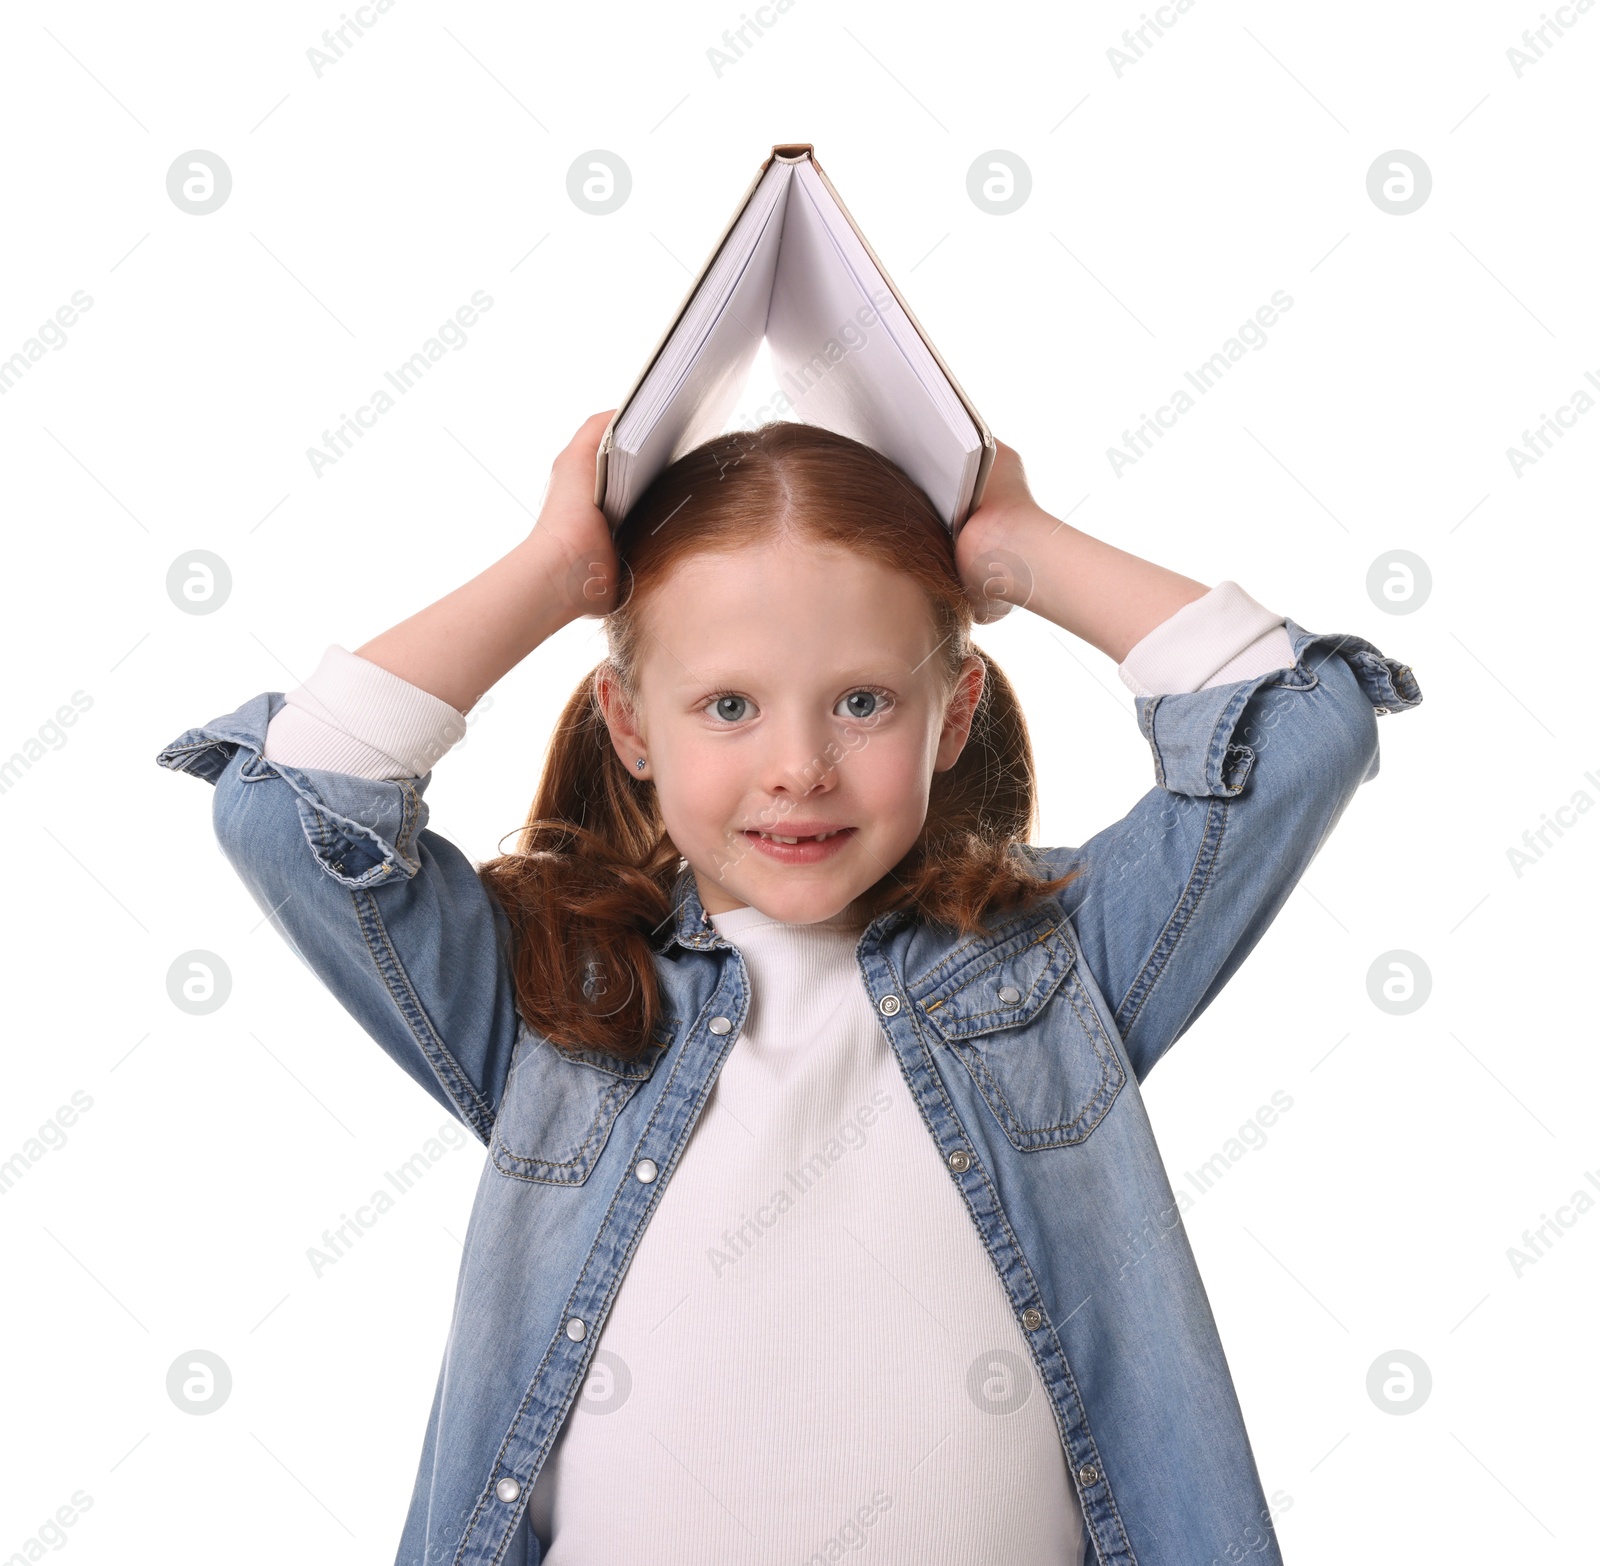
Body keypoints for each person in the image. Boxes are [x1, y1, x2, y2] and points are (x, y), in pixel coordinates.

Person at [156, 411, 1422, 1565]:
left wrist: (1022, 551)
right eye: (728, 706)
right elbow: (297, 808)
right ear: (630, 726)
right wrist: (555, 576)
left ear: (953, 711)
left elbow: (1299, 727)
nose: (800, 765)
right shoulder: (562, 997)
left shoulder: (1052, 964)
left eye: (863, 701)